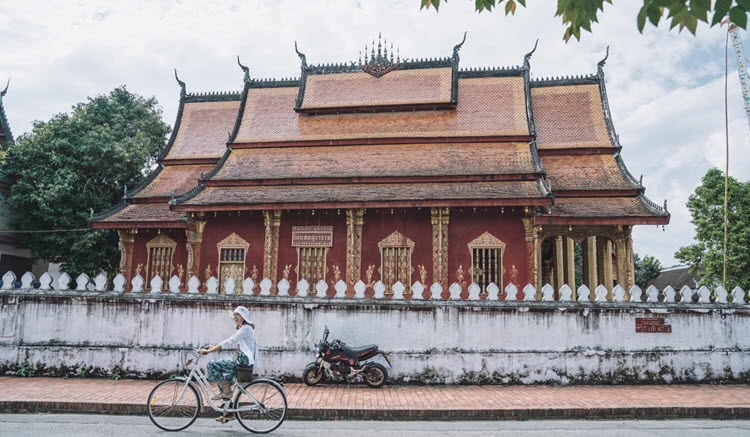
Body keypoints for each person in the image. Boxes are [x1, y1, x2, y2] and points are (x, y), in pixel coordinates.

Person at [198, 306, 258, 404]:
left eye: (238, 314)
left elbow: (230, 341)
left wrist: (209, 351)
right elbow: (235, 343)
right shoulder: (245, 328)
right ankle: (228, 411)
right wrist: (213, 347)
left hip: (242, 362)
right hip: (242, 361)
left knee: (212, 364)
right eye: (234, 315)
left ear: (243, 316)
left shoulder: (246, 329)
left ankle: (227, 391)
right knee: (224, 383)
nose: (235, 317)